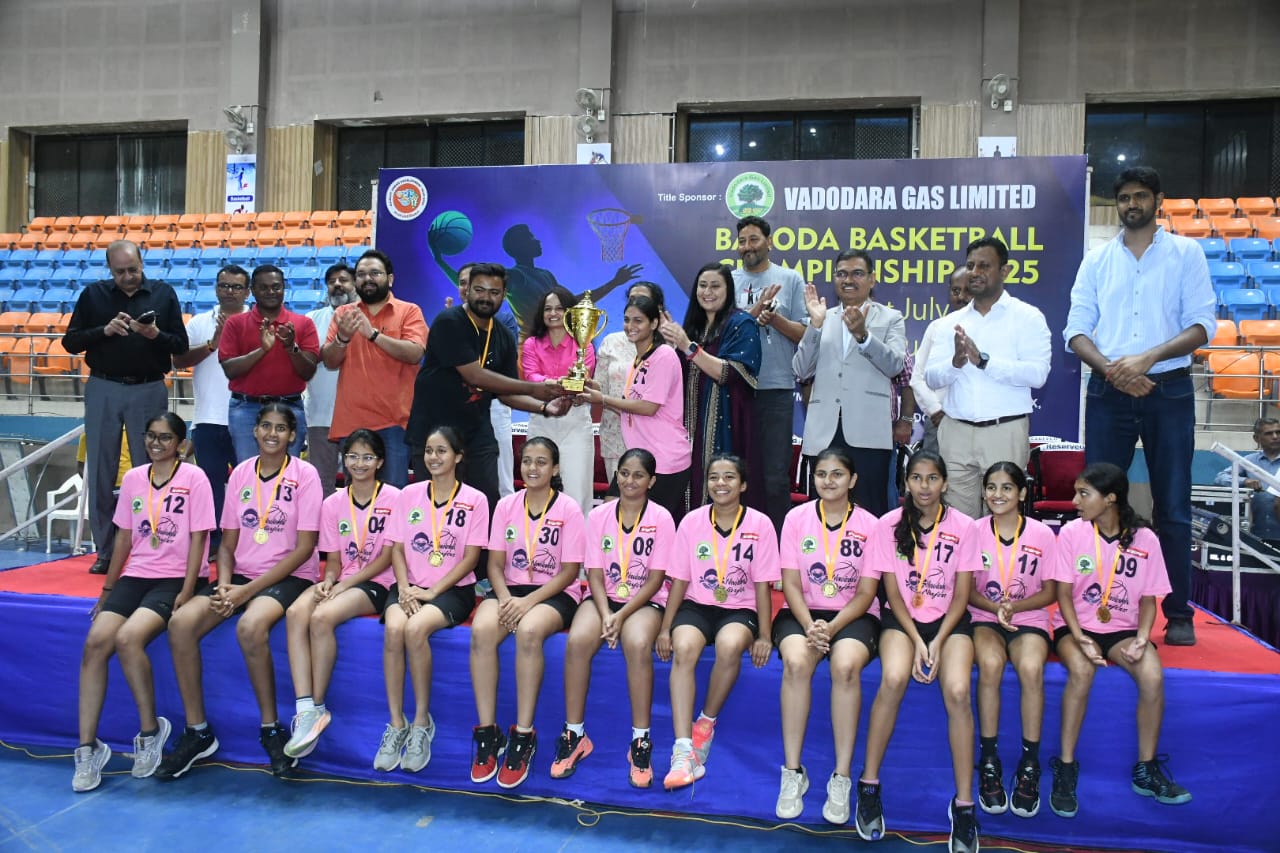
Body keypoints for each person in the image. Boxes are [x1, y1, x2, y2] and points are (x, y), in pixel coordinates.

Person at [1065, 166, 1219, 647]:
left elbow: (1203, 325)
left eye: (1140, 196)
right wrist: (1115, 371)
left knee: (1172, 504)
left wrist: (1148, 358)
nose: (1132, 204)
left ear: (1158, 200)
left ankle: (1178, 614)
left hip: (1168, 390)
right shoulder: (1096, 260)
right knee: (1096, 501)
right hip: (1108, 390)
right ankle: (1095, 608)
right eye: (1124, 198)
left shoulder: (1186, 254)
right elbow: (1076, 330)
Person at [155, 403, 322, 780]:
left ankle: (271, 729)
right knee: (180, 624)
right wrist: (226, 584)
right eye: (266, 426)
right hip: (241, 577)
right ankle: (198, 732)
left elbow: (304, 549)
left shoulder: (305, 474)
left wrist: (245, 594)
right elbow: (227, 544)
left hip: (290, 575)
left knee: (250, 626)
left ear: (292, 436)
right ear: (254, 430)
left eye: (281, 428)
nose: (272, 434)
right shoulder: (242, 473)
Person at [72, 413, 215, 792]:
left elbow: (199, 537)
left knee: (128, 638)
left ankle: (150, 732)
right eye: (151, 435)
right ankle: (87, 748)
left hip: (176, 578)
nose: (156, 443)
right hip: (136, 575)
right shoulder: (135, 478)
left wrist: (189, 588)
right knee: (95, 643)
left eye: (165, 437)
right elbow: (123, 536)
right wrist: (108, 589)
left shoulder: (194, 478)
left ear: (180, 444)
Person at [1049, 462, 1192, 818]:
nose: (1074, 501)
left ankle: (1146, 769)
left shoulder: (1145, 538)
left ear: (1110, 498)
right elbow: (1063, 594)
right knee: (1082, 671)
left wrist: (1142, 639)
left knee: (1152, 676)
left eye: (1084, 494)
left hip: (1124, 629)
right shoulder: (1072, 533)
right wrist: (1080, 637)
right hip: (1076, 626)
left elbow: (1149, 599)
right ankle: (1065, 766)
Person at [858, 451, 980, 853]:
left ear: (945, 483)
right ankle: (868, 785)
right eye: (916, 478)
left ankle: (964, 806)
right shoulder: (888, 525)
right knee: (893, 678)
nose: (924, 487)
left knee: (958, 691)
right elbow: (891, 594)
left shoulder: (965, 526)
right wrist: (915, 640)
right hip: (902, 621)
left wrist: (937, 641)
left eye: (932, 479)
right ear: (906, 482)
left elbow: (962, 595)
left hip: (949, 623)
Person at [63, 239, 188, 574]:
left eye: (133, 269)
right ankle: (106, 552)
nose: (128, 277)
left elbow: (180, 345)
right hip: (103, 387)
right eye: (120, 272)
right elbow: (70, 342)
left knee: (153, 470)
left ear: (142, 263)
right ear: (110, 269)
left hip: (149, 388)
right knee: (100, 472)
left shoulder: (164, 294)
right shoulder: (93, 295)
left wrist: (154, 334)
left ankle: (151, 548)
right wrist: (103, 331)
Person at [469, 437, 586, 789]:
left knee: (530, 630)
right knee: (481, 630)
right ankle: (488, 733)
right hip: (510, 591)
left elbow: (570, 571)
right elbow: (494, 565)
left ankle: (523, 735)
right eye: (527, 461)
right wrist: (507, 598)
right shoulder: (506, 505)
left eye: (541, 462)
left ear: (555, 468)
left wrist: (527, 603)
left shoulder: (568, 508)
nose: (532, 468)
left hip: (554, 593)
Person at [553, 448, 675, 787]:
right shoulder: (599, 515)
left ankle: (640, 740)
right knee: (578, 640)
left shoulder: (662, 518)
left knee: (637, 642)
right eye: (624, 473)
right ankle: (575, 734)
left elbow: (655, 580)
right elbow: (593, 572)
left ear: (651, 481)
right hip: (603, 598)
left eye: (638, 475)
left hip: (644, 600)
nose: (629, 481)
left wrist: (621, 616)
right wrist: (607, 613)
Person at [406, 263, 570, 512]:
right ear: (467, 290)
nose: (486, 297)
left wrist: (545, 407)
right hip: (434, 433)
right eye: (479, 290)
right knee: (433, 510)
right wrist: (534, 388)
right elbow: (475, 376)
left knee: (485, 505)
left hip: (476, 435)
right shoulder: (449, 322)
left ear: (504, 295)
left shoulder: (503, 335)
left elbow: (506, 394)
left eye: (494, 292)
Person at [774, 447, 881, 824]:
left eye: (837, 474)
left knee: (846, 666)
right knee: (796, 662)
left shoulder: (871, 525)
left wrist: (832, 629)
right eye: (821, 474)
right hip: (802, 612)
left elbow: (867, 592)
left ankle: (841, 776)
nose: (828, 481)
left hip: (853, 615)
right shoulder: (796, 518)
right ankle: (792, 772)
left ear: (852, 480)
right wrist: (810, 626)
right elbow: (790, 583)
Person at [659, 454, 779, 790]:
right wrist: (666, 628)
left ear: (743, 485)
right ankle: (683, 748)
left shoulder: (760, 524)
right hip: (697, 604)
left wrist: (765, 635)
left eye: (729, 477)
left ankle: (705, 723)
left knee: (729, 645)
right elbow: (680, 579)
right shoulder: (692, 522)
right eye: (713, 477)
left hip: (739, 608)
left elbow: (763, 585)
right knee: (684, 647)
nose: (720, 483)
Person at [375, 426, 489, 773]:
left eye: (441, 451)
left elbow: (471, 558)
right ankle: (396, 723)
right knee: (394, 629)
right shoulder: (408, 494)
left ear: (458, 456)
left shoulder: (475, 499)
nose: (433, 457)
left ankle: (422, 722)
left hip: (451, 590)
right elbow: (396, 549)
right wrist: (404, 587)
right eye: (428, 450)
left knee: (415, 629)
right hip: (408, 586)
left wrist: (433, 591)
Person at [282, 429, 400, 761]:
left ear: (380, 462)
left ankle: (318, 707)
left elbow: (387, 558)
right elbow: (333, 559)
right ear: (343, 460)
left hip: (378, 582)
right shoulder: (333, 503)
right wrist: (329, 580)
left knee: (321, 617)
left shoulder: (394, 498)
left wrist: (344, 585)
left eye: (367, 457)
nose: (359, 464)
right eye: (353, 456)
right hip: (342, 580)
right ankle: (305, 707)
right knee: (295, 613)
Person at [923, 237, 1052, 519]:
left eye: (984, 266)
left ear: (1005, 271)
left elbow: (1038, 374)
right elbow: (931, 377)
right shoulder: (950, 323)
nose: (975, 272)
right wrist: (956, 362)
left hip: (1004, 431)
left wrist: (985, 362)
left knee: (1001, 520)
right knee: (958, 523)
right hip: (956, 432)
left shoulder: (1027, 317)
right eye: (970, 266)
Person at [968, 462, 1061, 818]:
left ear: (1022, 493)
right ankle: (989, 761)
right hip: (984, 616)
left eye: (1007, 487)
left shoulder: (1042, 534)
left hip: (1029, 616)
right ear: (983, 492)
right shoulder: (974, 531)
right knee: (990, 665)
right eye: (991, 487)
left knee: (1031, 668)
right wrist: (995, 608)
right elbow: (967, 590)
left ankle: (1029, 764)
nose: (998, 494)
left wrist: (1015, 607)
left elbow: (1050, 591)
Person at [794, 250, 906, 516]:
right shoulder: (822, 317)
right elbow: (801, 370)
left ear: (872, 279)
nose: (848, 280)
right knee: (824, 512)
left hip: (869, 432)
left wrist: (864, 336)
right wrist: (815, 327)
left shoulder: (891, 318)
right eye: (841, 274)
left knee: (869, 510)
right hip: (824, 432)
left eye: (857, 273)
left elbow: (895, 366)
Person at [320, 250, 428, 488]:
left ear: (390, 279)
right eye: (361, 274)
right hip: (351, 421)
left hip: (395, 422)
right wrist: (342, 338)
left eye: (374, 273)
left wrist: (373, 335)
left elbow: (415, 354)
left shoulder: (409, 311)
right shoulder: (344, 313)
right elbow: (329, 361)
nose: (367, 279)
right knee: (356, 497)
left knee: (393, 497)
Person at [658, 263, 761, 509]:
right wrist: (671, 346)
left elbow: (729, 373)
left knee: (723, 485)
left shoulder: (742, 323)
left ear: (728, 290)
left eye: (715, 286)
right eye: (702, 286)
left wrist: (687, 346)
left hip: (728, 422)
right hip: (689, 425)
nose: (708, 292)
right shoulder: (693, 327)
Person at [584, 292, 691, 518]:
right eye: (626, 320)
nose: (630, 326)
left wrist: (602, 399)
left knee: (650, 528)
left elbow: (648, 407)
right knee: (611, 516)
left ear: (654, 323)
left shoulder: (664, 355)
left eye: (638, 320)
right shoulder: (639, 358)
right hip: (638, 458)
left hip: (664, 461)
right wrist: (594, 392)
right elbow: (628, 407)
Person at [732, 216, 808, 533]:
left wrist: (774, 319)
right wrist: (753, 316)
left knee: (775, 476)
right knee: (734, 471)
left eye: (754, 239)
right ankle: (736, 540)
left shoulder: (790, 279)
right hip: (736, 387)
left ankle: (777, 544)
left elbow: (804, 333)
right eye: (742, 241)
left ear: (769, 242)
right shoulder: (727, 280)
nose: (747, 246)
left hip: (775, 389)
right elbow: (722, 334)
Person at [175, 264, 252, 548]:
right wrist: (212, 344)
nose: (229, 291)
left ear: (247, 292)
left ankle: (247, 544)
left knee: (249, 488)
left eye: (236, 287)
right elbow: (178, 361)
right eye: (224, 285)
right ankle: (214, 545)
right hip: (207, 420)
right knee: (210, 489)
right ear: (216, 288)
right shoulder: (199, 323)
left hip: (247, 418)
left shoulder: (258, 322)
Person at [220, 265, 320, 463]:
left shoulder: (303, 324)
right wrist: (262, 350)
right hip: (246, 409)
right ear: (253, 290)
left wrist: (291, 348)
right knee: (249, 470)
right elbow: (230, 370)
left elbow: (308, 372)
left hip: (290, 407)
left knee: (287, 474)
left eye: (276, 287)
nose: (271, 292)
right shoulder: (235, 323)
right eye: (263, 287)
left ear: (284, 288)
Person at [521, 285, 597, 515]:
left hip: (575, 422)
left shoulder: (585, 345)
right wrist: (562, 382)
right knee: (538, 488)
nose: (553, 313)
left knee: (577, 491)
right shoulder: (531, 344)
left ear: (570, 312)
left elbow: (582, 381)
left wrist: (554, 383)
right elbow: (531, 377)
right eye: (548, 309)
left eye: (559, 308)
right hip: (542, 418)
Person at [451, 262, 520, 498]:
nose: (466, 288)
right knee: (457, 468)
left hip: (495, 402)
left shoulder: (504, 320)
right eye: (462, 283)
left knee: (501, 472)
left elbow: (498, 362)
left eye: (472, 283)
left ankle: (504, 515)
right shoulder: (449, 320)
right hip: (456, 405)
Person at [500, 222, 642, 332]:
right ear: (519, 245)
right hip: (532, 348)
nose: (537, 241)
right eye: (530, 237)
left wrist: (614, 282)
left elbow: (573, 302)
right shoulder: (514, 275)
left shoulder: (545, 275)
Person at [594, 281, 665, 483]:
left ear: (657, 311)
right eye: (632, 299)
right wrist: (579, 386)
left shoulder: (667, 347)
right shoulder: (611, 342)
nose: (636, 304)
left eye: (642, 299)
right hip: (615, 435)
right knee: (618, 498)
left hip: (652, 436)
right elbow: (600, 388)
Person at [304, 263, 357, 496]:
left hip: (357, 415)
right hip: (320, 414)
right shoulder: (311, 319)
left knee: (357, 484)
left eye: (343, 280)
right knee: (320, 485)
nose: (337, 285)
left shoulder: (365, 318)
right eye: (332, 281)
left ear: (355, 284)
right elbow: (305, 358)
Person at [912, 270, 972, 455]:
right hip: (941, 423)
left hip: (981, 424)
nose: (961, 297)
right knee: (936, 473)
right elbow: (917, 377)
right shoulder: (937, 327)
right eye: (955, 291)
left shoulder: (994, 329)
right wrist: (935, 410)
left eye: (968, 290)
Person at [1214, 417, 1280, 541]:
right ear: (1256, 438)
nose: (1275, 436)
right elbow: (1220, 478)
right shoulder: (1249, 461)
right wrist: (1244, 481)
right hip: (1255, 536)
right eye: (1269, 433)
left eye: (1278, 432)